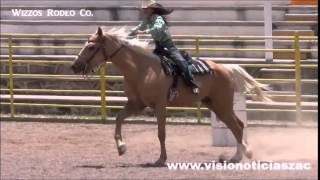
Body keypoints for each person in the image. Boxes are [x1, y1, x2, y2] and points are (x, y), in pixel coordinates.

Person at [130, 0, 199, 94]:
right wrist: (131, 32)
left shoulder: (158, 18)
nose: (144, 10)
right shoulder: (147, 19)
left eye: (146, 8)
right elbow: (140, 26)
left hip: (168, 46)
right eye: (143, 9)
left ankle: (192, 84)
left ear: (152, 9)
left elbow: (158, 28)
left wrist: (145, 31)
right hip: (158, 46)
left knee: (181, 63)